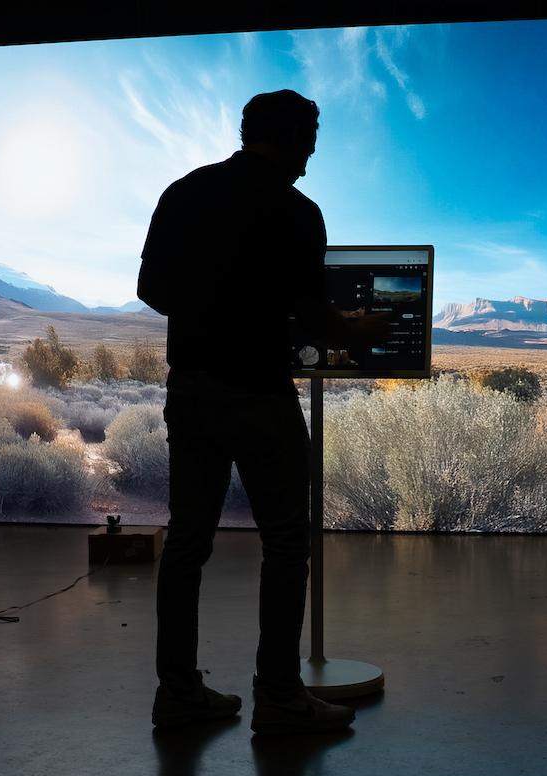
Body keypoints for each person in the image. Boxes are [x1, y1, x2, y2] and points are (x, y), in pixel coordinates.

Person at [138, 89, 370, 735]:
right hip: (261, 393)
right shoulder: (297, 211)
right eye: (313, 137)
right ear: (296, 136)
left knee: (187, 541)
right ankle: (280, 697)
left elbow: (151, 290)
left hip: (190, 390)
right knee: (285, 542)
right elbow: (314, 312)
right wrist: (351, 328)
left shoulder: (184, 191)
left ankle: (178, 694)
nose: (313, 153)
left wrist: (208, 307)